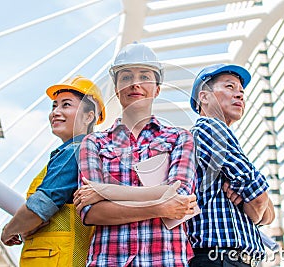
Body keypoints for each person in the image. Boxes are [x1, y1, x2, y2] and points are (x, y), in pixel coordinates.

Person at [73, 43, 197, 267]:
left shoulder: (180, 138)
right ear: (117, 88)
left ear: (157, 89)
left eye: (144, 76)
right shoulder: (94, 143)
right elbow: (92, 213)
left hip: (166, 261)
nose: (135, 83)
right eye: (126, 77)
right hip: (107, 261)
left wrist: (104, 191)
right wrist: (158, 207)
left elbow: (177, 197)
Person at [0, 75, 106, 267]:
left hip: (58, 259)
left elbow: (39, 208)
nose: (55, 112)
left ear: (89, 116)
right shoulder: (81, 152)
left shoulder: (74, 152)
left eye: (66, 105)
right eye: (54, 106)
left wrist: (9, 230)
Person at [187, 64, 275, 267]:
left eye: (241, 91)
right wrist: (253, 204)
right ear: (204, 97)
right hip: (220, 258)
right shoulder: (209, 128)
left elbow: (269, 213)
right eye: (230, 87)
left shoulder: (223, 138)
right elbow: (260, 199)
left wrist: (252, 203)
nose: (239, 95)